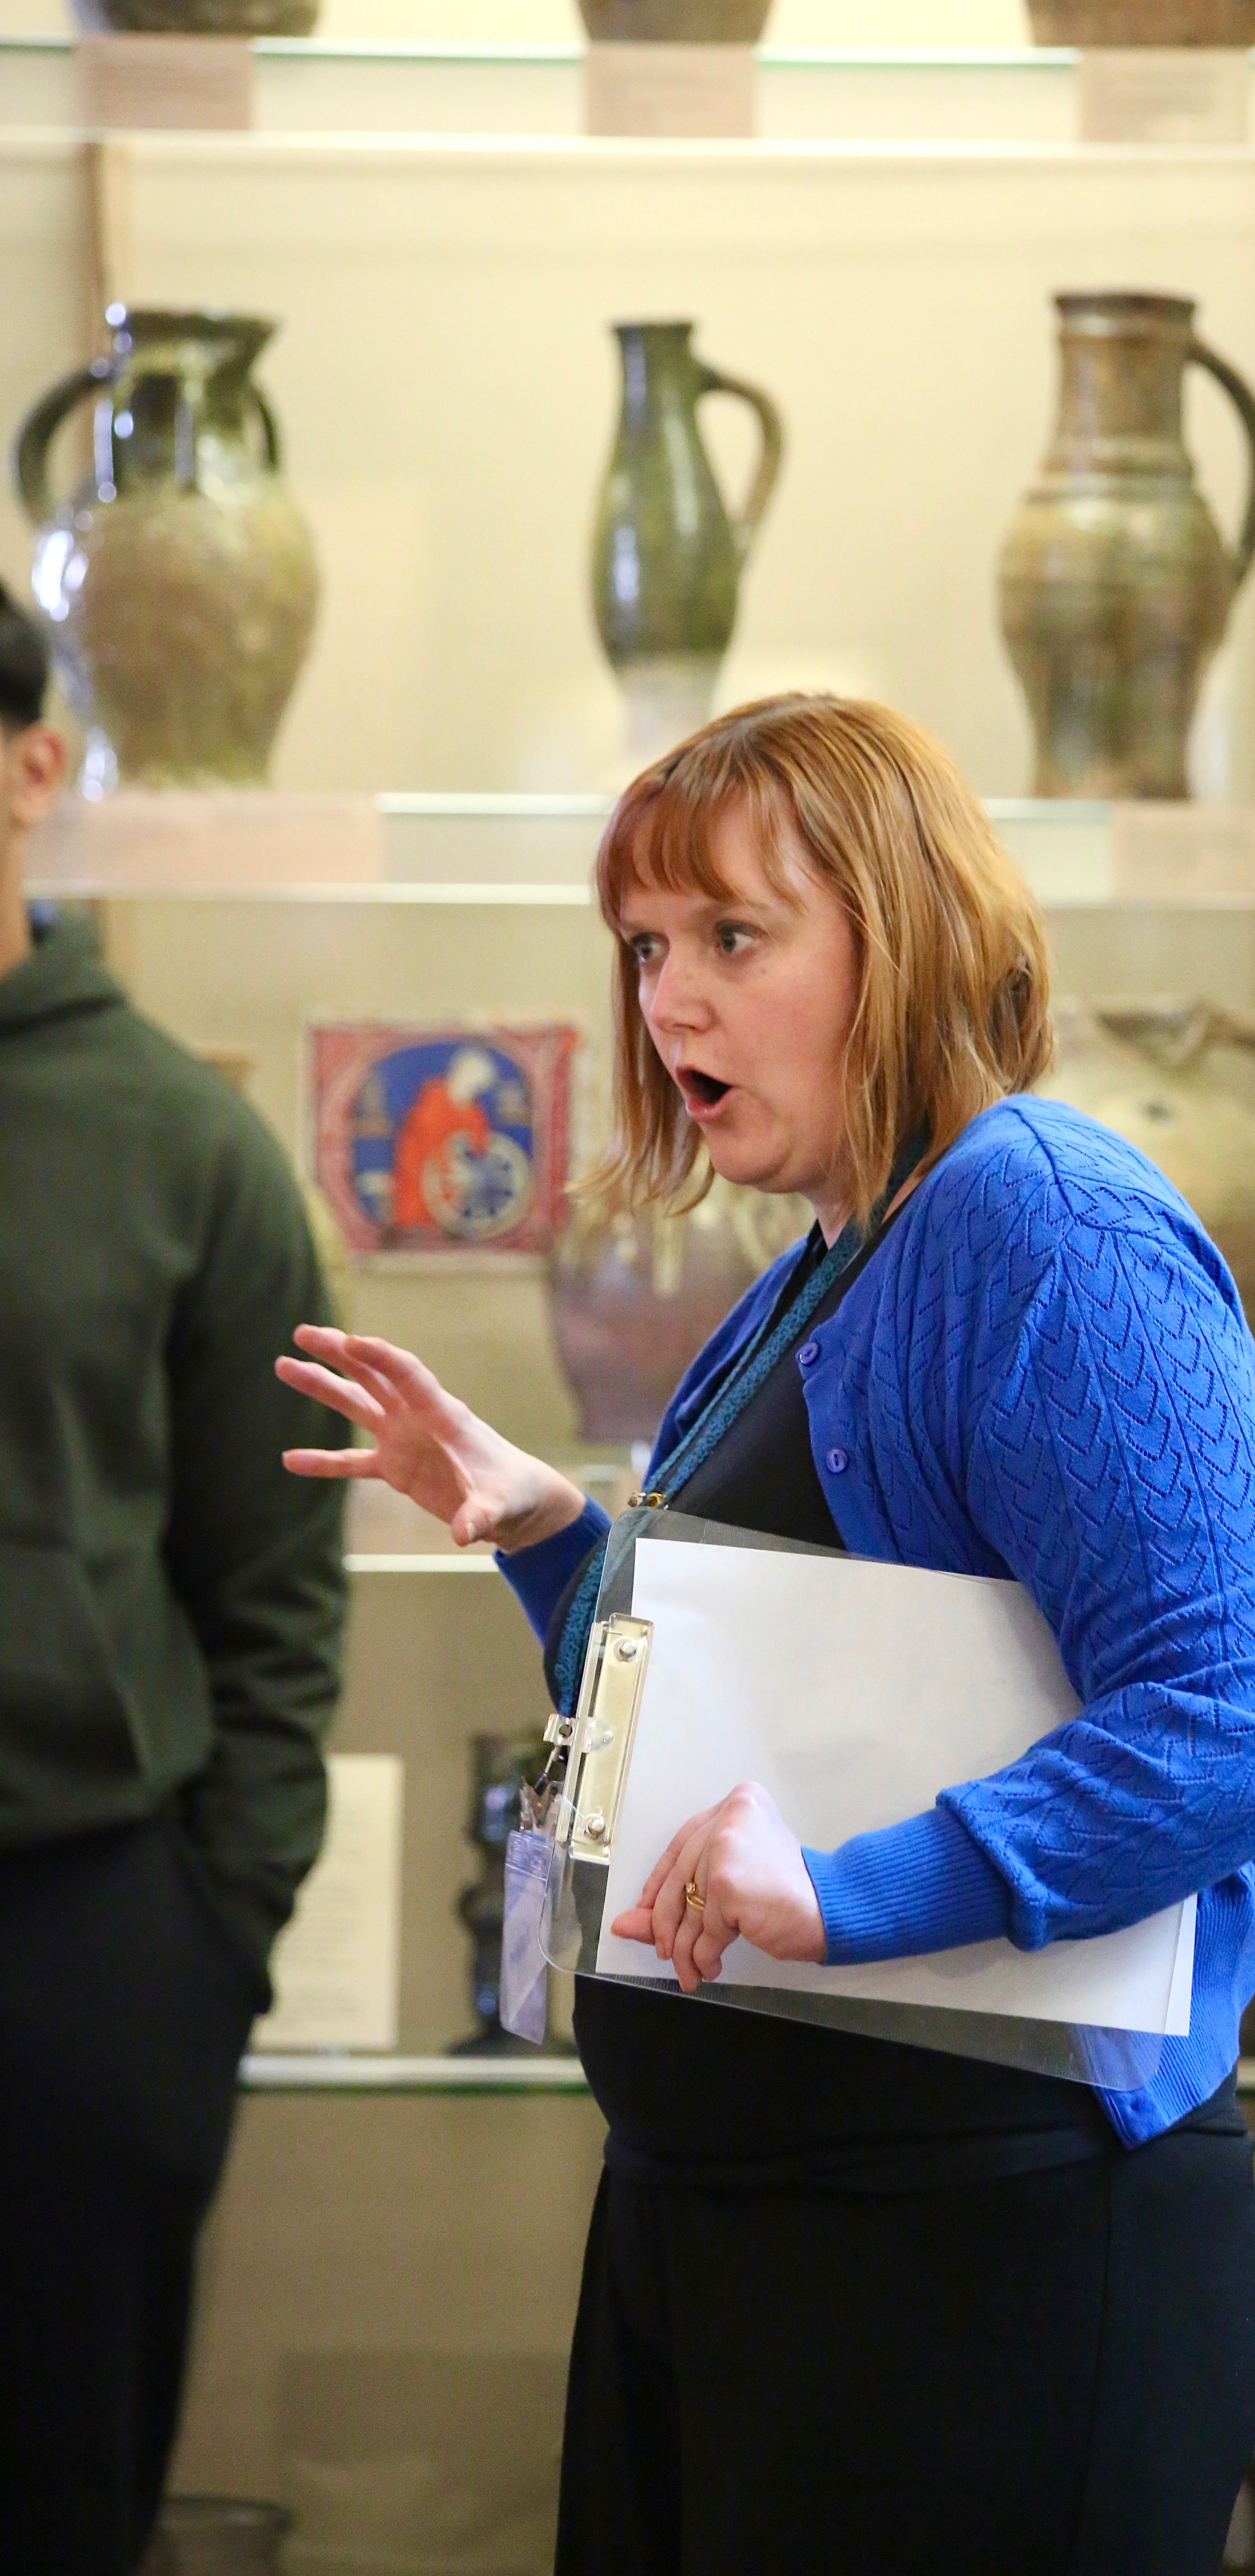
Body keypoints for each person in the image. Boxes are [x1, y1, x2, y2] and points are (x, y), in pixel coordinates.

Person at [280, 692, 1255, 2576]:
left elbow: (1245, 1718)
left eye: (733, 940)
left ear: (904, 931)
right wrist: (543, 1532)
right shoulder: (838, 1252)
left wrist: (857, 1891)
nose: (669, 1002)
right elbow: (760, 1694)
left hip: (983, 2265)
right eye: (646, 949)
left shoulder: (1046, 1228)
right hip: (773, 2232)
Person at [0, 580, 348, 2571]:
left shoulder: (176, 1146)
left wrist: (208, 1940)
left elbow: (277, 1583)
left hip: (74, 1946)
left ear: (38, 768)